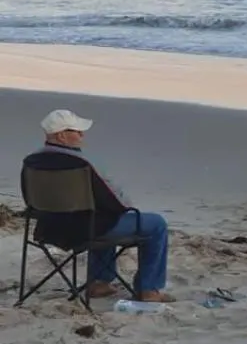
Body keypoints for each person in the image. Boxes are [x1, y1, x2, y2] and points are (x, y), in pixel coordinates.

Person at [29, 109, 173, 302]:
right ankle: (149, 289)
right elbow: (115, 200)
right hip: (84, 230)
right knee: (156, 224)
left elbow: (31, 200)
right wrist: (125, 207)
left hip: (49, 229)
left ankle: (99, 283)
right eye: (77, 131)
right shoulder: (80, 164)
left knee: (99, 216)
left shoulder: (32, 161)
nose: (82, 135)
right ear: (62, 136)